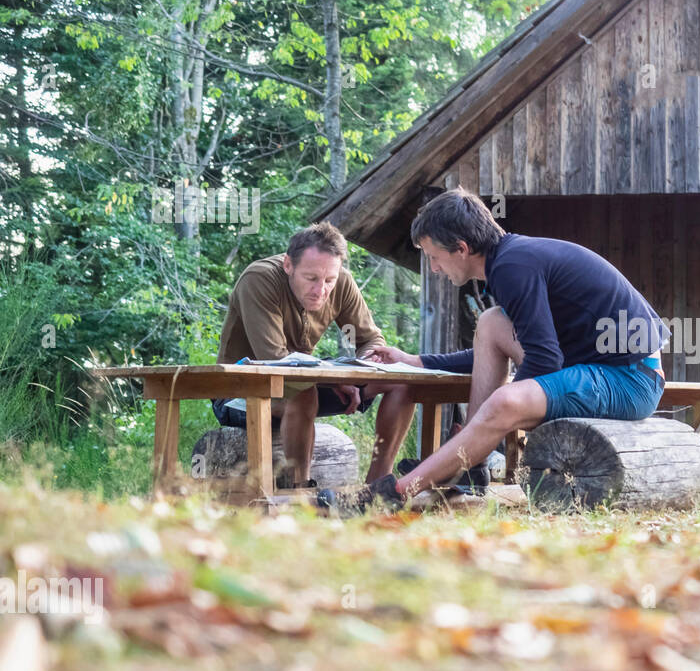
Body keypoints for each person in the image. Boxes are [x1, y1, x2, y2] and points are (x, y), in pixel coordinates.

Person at [355, 187, 667, 509]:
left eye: (434, 257)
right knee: (491, 322)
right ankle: (470, 467)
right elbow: (518, 351)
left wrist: (492, 420)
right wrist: (415, 360)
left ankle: (394, 493)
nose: (434, 269)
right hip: (597, 367)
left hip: (631, 379)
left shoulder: (512, 268)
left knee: (504, 401)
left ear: (461, 248)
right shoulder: (510, 260)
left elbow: (545, 358)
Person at [215, 221, 417, 488]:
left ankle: (377, 487)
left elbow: (370, 340)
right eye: (311, 278)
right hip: (241, 391)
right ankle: (299, 491)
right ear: (288, 265)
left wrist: (366, 364)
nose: (320, 289)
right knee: (303, 390)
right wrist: (334, 380)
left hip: (307, 381)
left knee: (401, 382)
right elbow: (277, 361)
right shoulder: (260, 279)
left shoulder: (341, 283)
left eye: (329, 280)